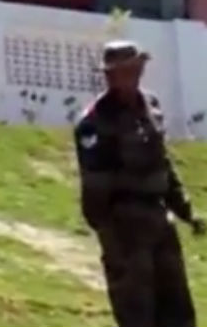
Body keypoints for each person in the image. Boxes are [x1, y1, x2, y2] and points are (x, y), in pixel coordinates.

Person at [74, 40, 205, 327]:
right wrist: (109, 235)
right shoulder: (95, 122)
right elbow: (94, 188)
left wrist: (185, 210)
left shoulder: (151, 106)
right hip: (124, 224)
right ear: (109, 75)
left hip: (159, 219)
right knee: (137, 311)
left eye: (135, 69)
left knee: (177, 309)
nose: (131, 75)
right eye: (121, 71)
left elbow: (163, 163)